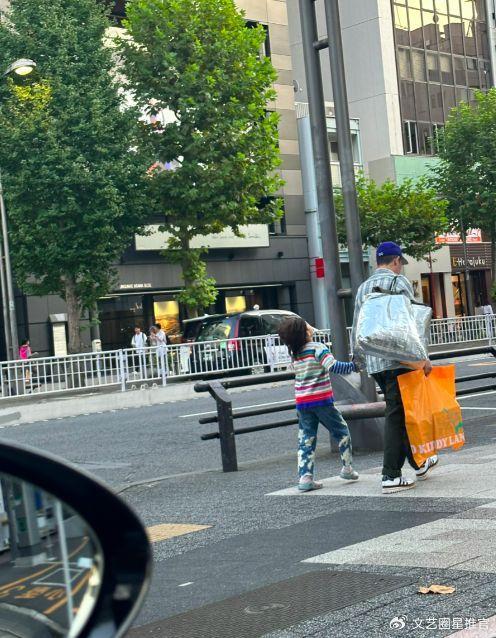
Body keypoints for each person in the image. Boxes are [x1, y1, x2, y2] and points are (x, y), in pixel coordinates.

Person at [351, 241, 438, 494]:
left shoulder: (362, 288)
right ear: (396, 261)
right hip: (398, 359)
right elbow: (410, 325)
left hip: (375, 362)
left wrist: (360, 360)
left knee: (397, 411)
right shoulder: (399, 283)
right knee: (397, 415)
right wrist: (423, 358)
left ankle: (419, 463)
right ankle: (390, 475)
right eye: (401, 264)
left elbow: (357, 328)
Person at [278, 316, 359, 492]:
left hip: (302, 403)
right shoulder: (317, 348)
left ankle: (305, 478)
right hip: (322, 401)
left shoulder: (296, 353)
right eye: (307, 325)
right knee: (342, 432)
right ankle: (347, 468)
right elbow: (334, 366)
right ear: (305, 332)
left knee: (306, 439)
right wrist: (353, 366)